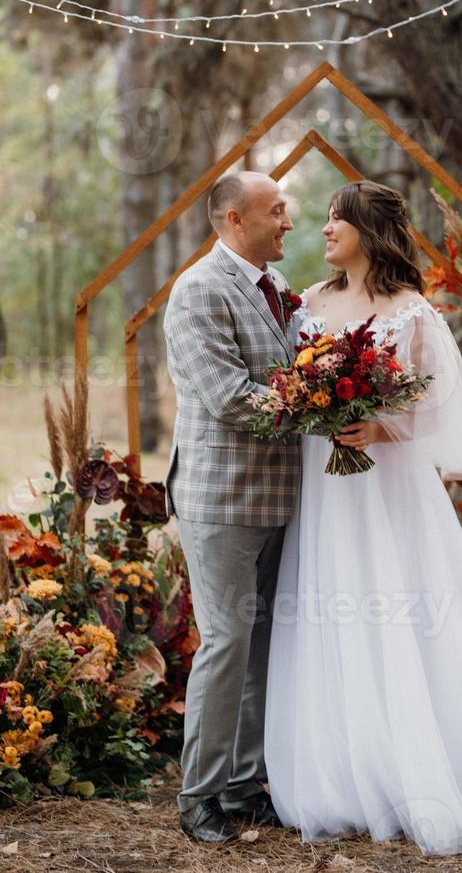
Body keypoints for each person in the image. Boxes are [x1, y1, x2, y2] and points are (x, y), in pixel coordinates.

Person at [264, 179, 462, 856]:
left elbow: (438, 407)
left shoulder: (412, 313)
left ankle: (426, 765)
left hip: (390, 487)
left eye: (336, 220)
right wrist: (319, 410)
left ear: (366, 230)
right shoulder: (307, 305)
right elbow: (289, 383)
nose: (323, 231)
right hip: (325, 486)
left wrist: (381, 427)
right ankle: (343, 773)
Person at [163, 171, 301, 843]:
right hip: (219, 501)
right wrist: (321, 407)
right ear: (232, 219)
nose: (288, 221)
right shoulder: (197, 291)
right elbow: (227, 394)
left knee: (261, 646)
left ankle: (246, 786)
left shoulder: (274, 291)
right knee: (225, 643)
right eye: (276, 210)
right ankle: (199, 798)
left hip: (277, 499)